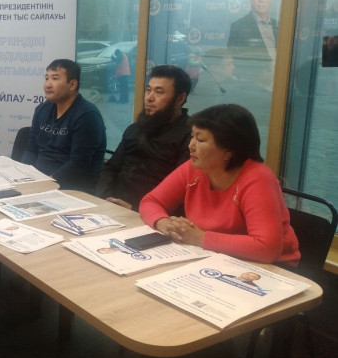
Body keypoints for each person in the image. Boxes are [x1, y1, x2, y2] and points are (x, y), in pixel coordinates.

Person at [139, 104, 300, 266]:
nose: (191, 145)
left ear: (229, 151)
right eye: (192, 137)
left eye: (200, 140)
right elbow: (151, 201)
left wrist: (200, 238)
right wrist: (163, 222)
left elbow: (267, 248)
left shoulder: (258, 179)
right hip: (214, 256)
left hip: (271, 267)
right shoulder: (195, 168)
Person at [96, 65, 192, 211]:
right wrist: (105, 198)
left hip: (150, 214)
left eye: (158, 92)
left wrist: (135, 210)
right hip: (112, 205)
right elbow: (111, 168)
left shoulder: (191, 137)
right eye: (148, 90)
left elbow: (182, 193)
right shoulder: (136, 129)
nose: (149, 98)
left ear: (180, 98)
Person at [21, 59, 106, 192]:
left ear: (72, 84)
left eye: (55, 78)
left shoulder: (87, 115)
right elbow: (31, 149)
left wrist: (47, 183)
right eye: (46, 78)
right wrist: (23, 175)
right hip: (38, 181)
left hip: (70, 188)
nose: (48, 85)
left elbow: (79, 163)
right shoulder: (42, 109)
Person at [227, 0, 278, 90]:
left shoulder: (279, 26)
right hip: (253, 90)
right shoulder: (238, 27)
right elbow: (234, 64)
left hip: (280, 87)